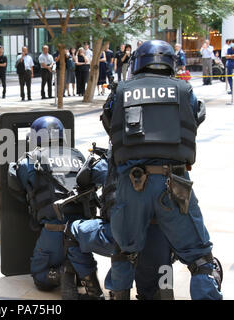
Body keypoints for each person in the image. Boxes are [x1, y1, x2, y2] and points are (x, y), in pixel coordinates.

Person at [101, 39, 222, 300]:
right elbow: (195, 117)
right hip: (174, 183)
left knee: (124, 251)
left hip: (130, 184)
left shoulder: (121, 90)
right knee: (200, 259)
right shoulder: (183, 89)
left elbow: (109, 122)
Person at [8, 116, 104, 299]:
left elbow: (17, 187)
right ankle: (76, 272)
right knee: (83, 270)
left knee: (41, 279)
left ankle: (62, 272)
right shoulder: (78, 155)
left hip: (53, 232)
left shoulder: (29, 160)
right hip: (82, 232)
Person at [63, 149, 175, 300]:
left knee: (72, 231)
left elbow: (82, 179)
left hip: (121, 236)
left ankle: (96, 293)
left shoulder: (107, 159)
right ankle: (159, 291)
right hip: (159, 240)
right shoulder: (170, 159)